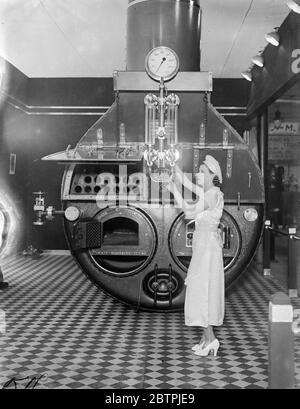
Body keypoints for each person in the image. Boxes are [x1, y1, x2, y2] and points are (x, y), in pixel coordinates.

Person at [166, 155, 224, 357]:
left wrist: (173, 191)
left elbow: (189, 212)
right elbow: (187, 182)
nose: (198, 174)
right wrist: (172, 165)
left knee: (202, 290)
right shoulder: (209, 192)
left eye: (202, 171)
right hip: (204, 245)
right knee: (200, 288)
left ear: (212, 175)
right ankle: (205, 339)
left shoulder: (212, 194)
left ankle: (211, 340)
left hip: (207, 248)